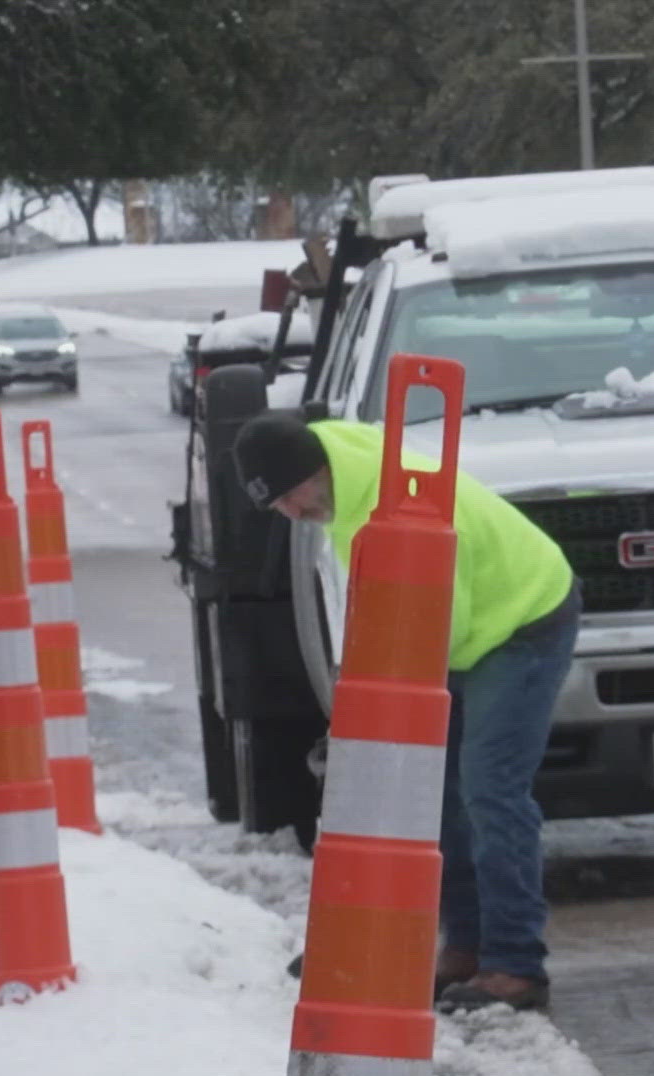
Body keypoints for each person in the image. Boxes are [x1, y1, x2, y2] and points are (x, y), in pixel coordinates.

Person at [233, 408, 581, 1012]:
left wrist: (378, 709)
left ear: (315, 471)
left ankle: (516, 964)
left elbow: (443, 625)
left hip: (523, 615)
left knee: (490, 788)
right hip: (465, 622)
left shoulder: (392, 507)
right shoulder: (342, 480)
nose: (291, 515)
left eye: (290, 497)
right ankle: (468, 947)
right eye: (279, 507)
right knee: (436, 792)